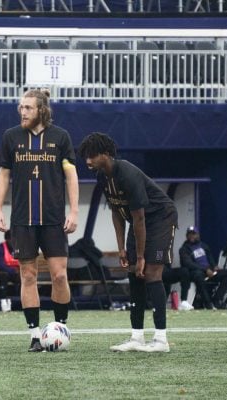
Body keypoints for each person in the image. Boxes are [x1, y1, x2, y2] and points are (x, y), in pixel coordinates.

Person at [0, 88, 79, 352]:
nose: (22, 111)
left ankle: (59, 328)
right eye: (21, 107)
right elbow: (4, 175)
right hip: (23, 219)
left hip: (53, 219)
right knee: (28, 275)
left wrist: (74, 211)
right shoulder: (11, 137)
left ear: (41, 109)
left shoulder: (60, 136)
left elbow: (71, 175)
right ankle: (33, 335)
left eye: (28, 107)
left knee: (60, 276)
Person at [78, 132, 177, 353]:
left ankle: (161, 340)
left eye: (92, 155)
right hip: (137, 221)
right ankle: (137, 337)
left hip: (160, 217)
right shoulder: (102, 177)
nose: (88, 161)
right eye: (85, 156)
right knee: (134, 273)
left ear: (105, 154)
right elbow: (116, 211)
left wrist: (141, 256)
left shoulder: (127, 174)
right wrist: (122, 248)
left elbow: (140, 217)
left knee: (150, 272)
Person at [179, 226, 227, 310]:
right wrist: (205, 269)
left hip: (210, 271)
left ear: (198, 235)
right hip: (196, 272)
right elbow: (188, 264)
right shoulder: (184, 249)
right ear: (187, 236)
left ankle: (216, 300)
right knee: (198, 276)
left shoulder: (203, 245)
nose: (191, 236)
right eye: (189, 234)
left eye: (193, 234)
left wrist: (214, 266)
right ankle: (208, 303)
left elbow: (210, 258)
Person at [0, 230, 22, 312]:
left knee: (25, 277)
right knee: (3, 276)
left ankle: (22, 303)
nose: (14, 241)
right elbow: (1, 264)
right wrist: (13, 270)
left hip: (16, 272)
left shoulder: (19, 247)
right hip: (4, 272)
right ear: (7, 239)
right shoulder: (0, 247)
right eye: (11, 239)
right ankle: (3, 301)